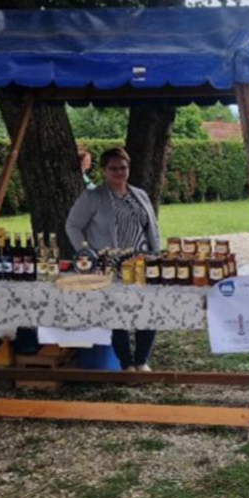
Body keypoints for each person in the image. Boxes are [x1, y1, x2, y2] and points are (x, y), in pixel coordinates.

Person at [66, 147, 161, 372]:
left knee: (149, 310)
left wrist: (156, 254)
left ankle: (141, 360)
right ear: (104, 170)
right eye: (113, 168)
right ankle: (126, 363)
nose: (119, 172)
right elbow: (73, 225)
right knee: (118, 313)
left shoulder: (140, 194)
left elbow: (151, 227)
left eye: (123, 167)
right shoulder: (93, 197)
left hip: (142, 262)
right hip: (112, 265)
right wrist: (86, 253)